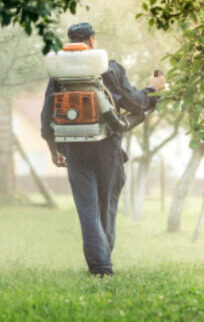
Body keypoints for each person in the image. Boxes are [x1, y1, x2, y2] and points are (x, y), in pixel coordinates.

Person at [41, 22, 166, 276]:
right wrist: (154, 88)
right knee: (107, 203)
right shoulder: (109, 68)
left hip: (74, 147)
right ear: (93, 41)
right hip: (107, 145)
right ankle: (103, 260)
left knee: (87, 208)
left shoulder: (59, 75)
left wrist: (53, 148)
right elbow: (134, 102)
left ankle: (100, 265)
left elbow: (47, 118)